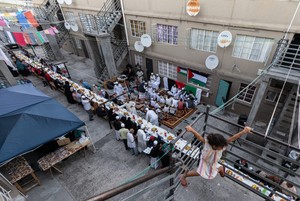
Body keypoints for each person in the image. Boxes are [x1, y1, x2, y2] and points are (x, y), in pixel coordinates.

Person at [180, 125, 252, 186]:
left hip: (213, 162)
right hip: (205, 160)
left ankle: (220, 168)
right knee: (200, 173)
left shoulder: (221, 144)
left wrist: (244, 131)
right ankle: (184, 176)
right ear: (215, 146)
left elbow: (233, 138)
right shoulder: (207, 143)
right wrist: (191, 129)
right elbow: (199, 137)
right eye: (221, 147)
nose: (223, 148)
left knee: (209, 174)